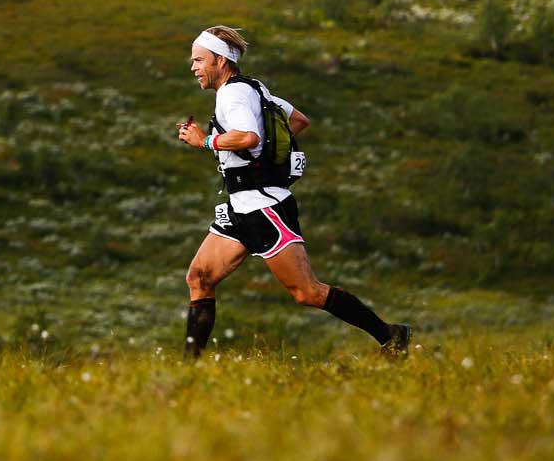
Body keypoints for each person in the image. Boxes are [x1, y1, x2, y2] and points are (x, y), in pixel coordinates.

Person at [173, 25, 409, 358]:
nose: (193, 67)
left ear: (221, 60)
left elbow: (249, 137)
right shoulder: (253, 88)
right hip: (241, 207)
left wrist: (206, 141)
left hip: (263, 208)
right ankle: (187, 369)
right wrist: (270, 162)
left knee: (307, 293)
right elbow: (298, 120)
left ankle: (391, 335)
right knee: (199, 276)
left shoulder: (232, 94)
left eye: (199, 60)